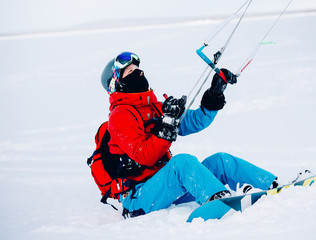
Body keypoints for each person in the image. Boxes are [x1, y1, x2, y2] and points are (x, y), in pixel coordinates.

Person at [100, 51, 279, 218]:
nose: (139, 73)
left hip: (166, 187)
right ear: (117, 83)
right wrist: (167, 123)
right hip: (139, 197)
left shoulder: (154, 107)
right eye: (130, 71)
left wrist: (214, 93)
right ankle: (219, 201)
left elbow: (196, 121)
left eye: (138, 69)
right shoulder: (120, 116)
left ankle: (271, 186)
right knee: (182, 162)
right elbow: (145, 156)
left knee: (221, 161)